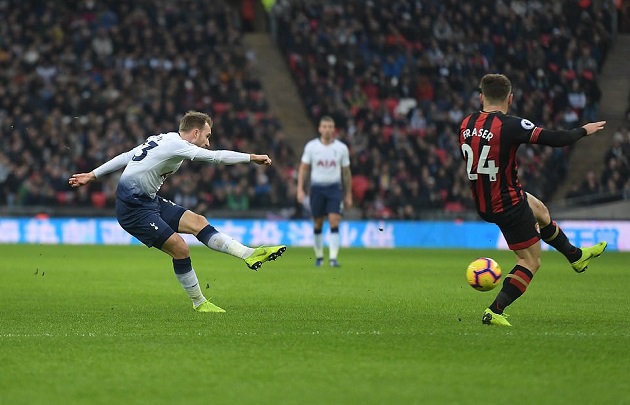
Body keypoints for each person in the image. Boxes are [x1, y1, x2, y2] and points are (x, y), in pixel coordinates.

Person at [69, 111, 286, 313]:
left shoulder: (162, 138)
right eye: (207, 136)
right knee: (180, 249)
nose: (207, 143)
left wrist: (92, 175)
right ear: (195, 132)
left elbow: (127, 156)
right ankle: (199, 303)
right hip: (133, 209)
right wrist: (252, 157)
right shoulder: (177, 145)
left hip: (149, 201)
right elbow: (216, 157)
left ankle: (248, 254)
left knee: (197, 222)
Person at [459, 74, 607, 326]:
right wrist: (584, 130)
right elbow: (555, 139)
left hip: (485, 199)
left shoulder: (466, 123)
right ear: (510, 98)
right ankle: (494, 310)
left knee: (540, 210)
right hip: (506, 203)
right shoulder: (511, 125)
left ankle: (575, 256)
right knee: (530, 261)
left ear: (481, 97)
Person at [297, 116, 352, 267]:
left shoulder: (341, 148)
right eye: (325, 127)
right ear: (320, 129)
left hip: (334, 188)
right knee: (318, 222)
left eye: (330, 127)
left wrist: (348, 194)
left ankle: (333, 258)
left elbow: (346, 172)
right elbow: (303, 168)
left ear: (334, 129)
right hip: (317, 188)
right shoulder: (311, 147)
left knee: (334, 220)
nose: (327, 130)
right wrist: (300, 189)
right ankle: (319, 257)